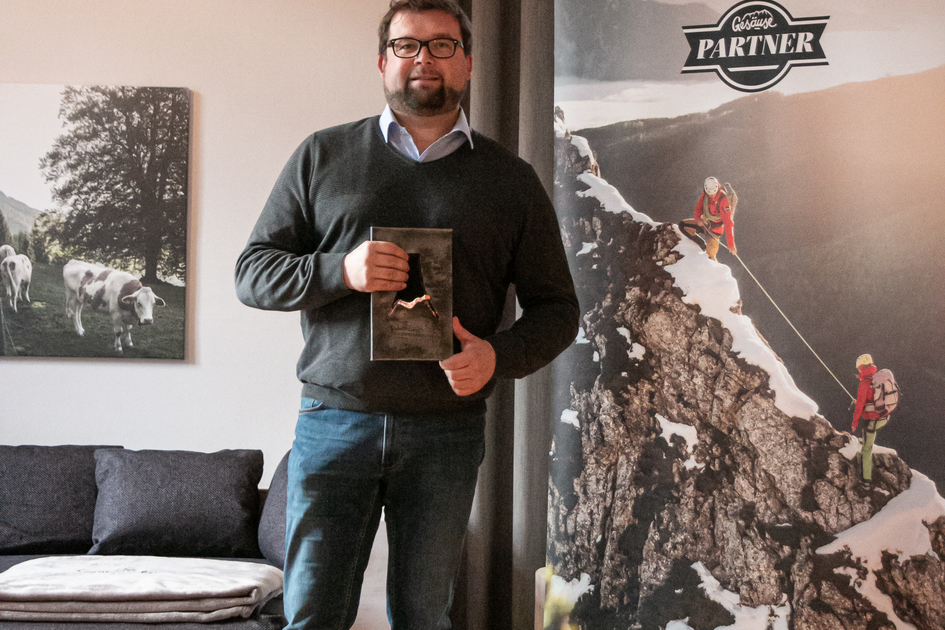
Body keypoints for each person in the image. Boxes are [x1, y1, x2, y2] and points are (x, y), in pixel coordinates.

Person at [234, 1, 579, 628]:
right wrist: (341, 271)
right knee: (312, 615)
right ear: (382, 61)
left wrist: (497, 357)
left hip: (447, 433)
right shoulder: (322, 155)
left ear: (468, 63)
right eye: (407, 45)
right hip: (334, 421)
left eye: (443, 45)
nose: (424, 58)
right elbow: (252, 274)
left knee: (425, 617)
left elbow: (558, 310)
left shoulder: (512, 180)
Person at [851, 354, 889, 488]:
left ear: (861, 367)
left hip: (873, 420)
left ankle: (867, 481)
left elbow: (859, 406)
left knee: (867, 449)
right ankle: (863, 443)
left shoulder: (864, 384)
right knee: (867, 438)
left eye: (859, 368)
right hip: (884, 417)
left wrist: (854, 423)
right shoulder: (879, 380)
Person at [679, 176, 736, 260]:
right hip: (705, 223)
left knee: (710, 257)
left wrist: (731, 244)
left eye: (713, 193)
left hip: (715, 231)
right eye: (709, 193)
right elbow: (698, 208)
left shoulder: (724, 200)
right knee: (683, 225)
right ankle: (702, 246)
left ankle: (708, 255)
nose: (711, 195)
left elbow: (728, 223)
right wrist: (698, 219)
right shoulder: (705, 194)